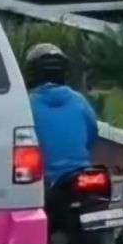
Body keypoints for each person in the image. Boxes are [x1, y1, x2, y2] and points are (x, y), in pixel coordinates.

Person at [24, 43, 99, 193]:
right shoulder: (80, 100)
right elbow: (92, 135)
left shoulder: (25, 105)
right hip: (82, 177)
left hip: (45, 184)